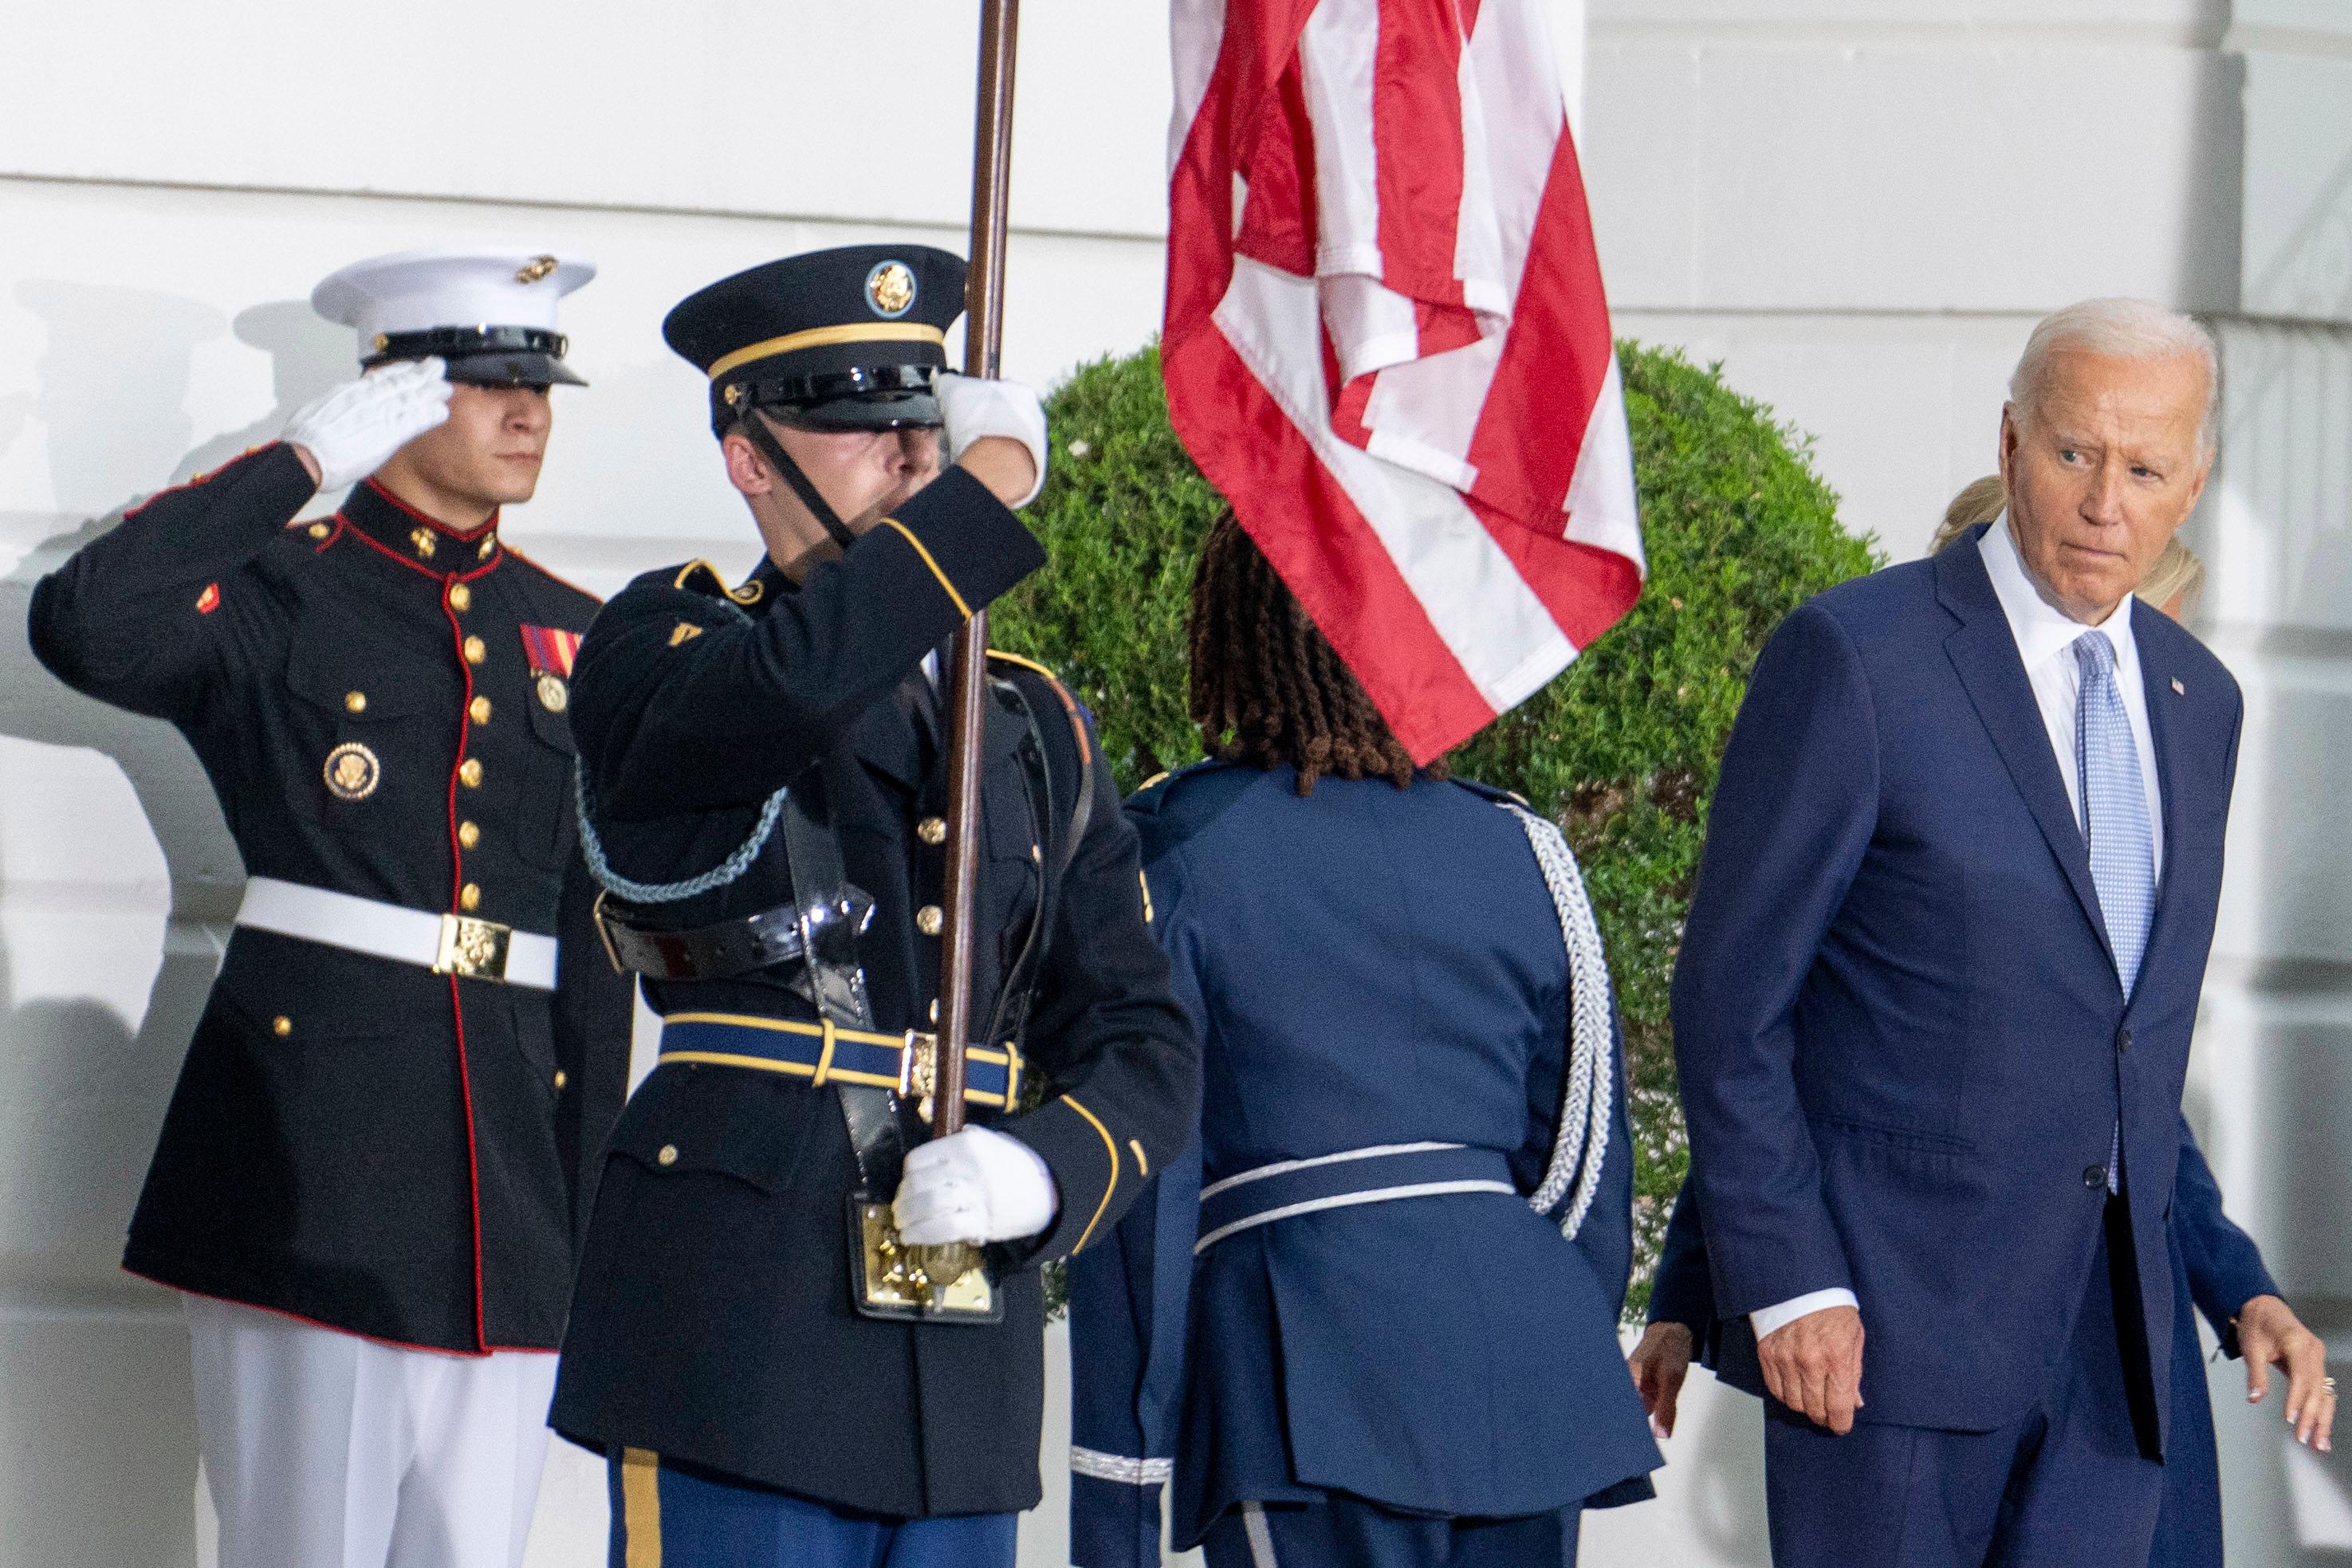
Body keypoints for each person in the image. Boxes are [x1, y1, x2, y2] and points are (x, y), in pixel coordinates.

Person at [545, 245, 1200, 1568]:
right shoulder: (661, 647)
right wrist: (989, 493)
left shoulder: (1031, 722)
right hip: (741, 1329)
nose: (908, 455)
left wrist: (1047, 1170)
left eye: (924, 422)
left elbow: (1143, 1036)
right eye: (855, 426)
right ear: (748, 457)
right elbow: (790, 688)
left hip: (957, 1358)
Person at [1669, 297, 2334, 1568]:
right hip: (1888, 1344)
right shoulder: (1856, 657)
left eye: (2143, 469)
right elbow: (1731, 1003)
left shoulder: (2202, 702)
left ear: (2190, 482)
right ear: (2011, 440)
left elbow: (2121, 1057)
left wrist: (2232, 1279)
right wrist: (1792, 1281)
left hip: (2118, 1363)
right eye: (2074, 452)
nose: (2104, 502)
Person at [26, 248, 636, 1568]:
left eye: (542, 384)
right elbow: (84, 627)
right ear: (400, 398)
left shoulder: (575, 634)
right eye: (486, 384)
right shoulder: (278, 589)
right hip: (313, 1162)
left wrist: (586, 1217)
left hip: (511, 1193)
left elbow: (593, 946)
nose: (530, 411)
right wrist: (292, 467)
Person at [1064, 515, 1662, 1568]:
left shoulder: (1171, 849)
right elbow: (1584, 1174)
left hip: (1303, 1370)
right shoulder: (1520, 848)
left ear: (1228, 641)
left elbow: (1146, 1193)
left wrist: (1119, 1492)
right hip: (1528, 1370)